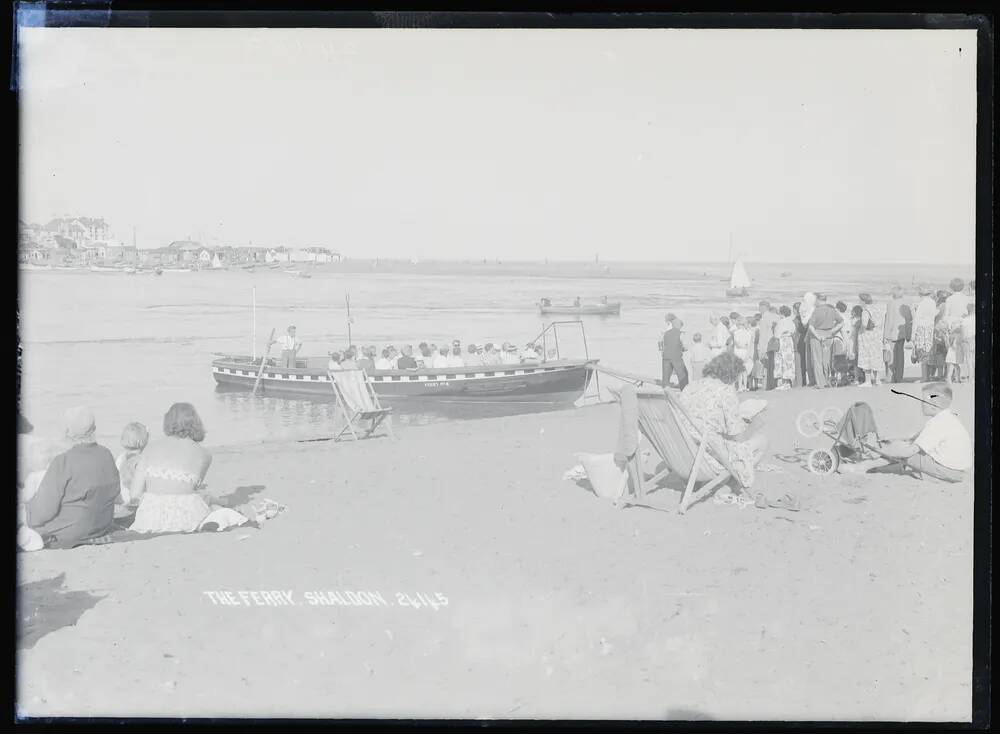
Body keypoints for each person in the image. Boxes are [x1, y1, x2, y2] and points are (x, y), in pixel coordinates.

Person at [24, 406, 120, 548]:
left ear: (67, 432)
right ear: (94, 428)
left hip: (69, 533)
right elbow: (115, 492)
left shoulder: (62, 462)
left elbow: (43, 512)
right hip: (101, 527)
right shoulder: (107, 454)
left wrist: (28, 512)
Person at [678, 352, 769, 489]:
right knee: (762, 440)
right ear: (732, 374)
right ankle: (729, 482)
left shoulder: (689, 387)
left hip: (685, 453)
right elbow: (737, 437)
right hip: (710, 458)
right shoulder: (725, 391)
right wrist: (749, 424)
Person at [848, 383, 972, 483]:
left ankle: (862, 467)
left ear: (933, 405)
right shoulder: (947, 417)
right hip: (958, 471)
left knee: (901, 449)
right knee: (901, 445)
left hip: (949, 471)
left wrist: (882, 450)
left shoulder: (936, 424)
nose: (920, 403)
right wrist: (893, 438)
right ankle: (868, 464)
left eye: (923, 400)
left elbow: (908, 451)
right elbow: (915, 436)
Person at [129, 403, 219, 533]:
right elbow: (192, 489)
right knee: (210, 504)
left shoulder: (151, 448)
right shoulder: (204, 454)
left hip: (151, 518)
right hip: (187, 517)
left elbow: (135, 493)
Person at [807, 293, 844, 389]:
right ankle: (827, 380)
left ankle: (820, 383)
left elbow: (811, 326)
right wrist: (834, 330)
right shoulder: (832, 310)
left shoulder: (816, 311)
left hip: (817, 336)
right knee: (826, 360)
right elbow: (841, 322)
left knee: (817, 360)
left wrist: (817, 336)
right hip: (829, 335)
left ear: (819, 300)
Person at [883, 285, 913, 383]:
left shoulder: (891, 304)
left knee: (891, 355)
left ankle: (890, 377)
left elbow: (889, 320)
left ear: (893, 294)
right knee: (900, 355)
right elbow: (909, 320)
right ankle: (899, 377)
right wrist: (909, 334)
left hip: (892, 333)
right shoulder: (906, 304)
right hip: (902, 333)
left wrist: (885, 335)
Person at [115, 422, 149, 506]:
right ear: (145, 441)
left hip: (121, 497)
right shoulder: (142, 460)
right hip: (134, 499)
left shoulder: (120, 458)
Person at [857, 293, 885, 386]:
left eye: (860, 301)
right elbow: (880, 323)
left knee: (866, 357)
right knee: (876, 357)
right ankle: (877, 380)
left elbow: (864, 324)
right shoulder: (877, 309)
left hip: (868, 338)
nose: (859, 302)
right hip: (877, 337)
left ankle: (868, 381)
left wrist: (859, 330)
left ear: (863, 301)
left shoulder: (865, 311)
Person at [911, 285, 938, 381]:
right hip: (930, 328)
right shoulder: (933, 302)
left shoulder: (921, 304)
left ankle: (924, 377)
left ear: (920, 294)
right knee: (928, 351)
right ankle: (928, 376)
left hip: (922, 329)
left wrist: (913, 334)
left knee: (921, 352)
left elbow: (916, 320)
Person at [659, 314, 689, 390]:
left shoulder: (665, 333)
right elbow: (685, 347)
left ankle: (665, 391)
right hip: (676, 357)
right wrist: (682, 349)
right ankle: (684, 391)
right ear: (679, 326)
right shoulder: (681, 334)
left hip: (666, 357)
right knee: (683, 375)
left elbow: (662, 344)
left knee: (666, 376)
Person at [773, 306, 796, 390]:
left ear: (781, 313)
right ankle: (788, 382)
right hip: (789, 341)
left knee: (780, 361)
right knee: (789, 361)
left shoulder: (781, 322)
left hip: (782, 341)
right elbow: (793, 331)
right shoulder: (791, 322)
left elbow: (776, 334)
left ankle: (781, 383)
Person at [756, 301, 779, 390]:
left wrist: (761, 349)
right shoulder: (775, 316)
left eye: (759, 307)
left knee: (768, 367)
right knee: (774, 365)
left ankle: (769, 386)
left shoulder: (764, 318)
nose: (758, 309)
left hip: (767, 344)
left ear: (763, 307)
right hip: (775, 343)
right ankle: (774, 384)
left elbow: (763, 335)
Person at [731, 316, 753, 391]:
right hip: (745, 352)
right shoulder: (748, 333)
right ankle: (745, 387)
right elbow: (749, 346)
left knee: (739, 372)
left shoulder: (736, 333)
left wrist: (741, 346)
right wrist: (747, 353)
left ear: (739, 324)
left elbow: (736, 344)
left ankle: (740, 387)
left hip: (738, 352)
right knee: (745, 371)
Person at [960, 303, 975, 384]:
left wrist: (963, 340)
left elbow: (963, 332)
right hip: (975, 338)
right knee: (975, 359)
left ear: (967, 310)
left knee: (969, 360)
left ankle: (971, 378)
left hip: (967, 339)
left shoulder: (965, 320)